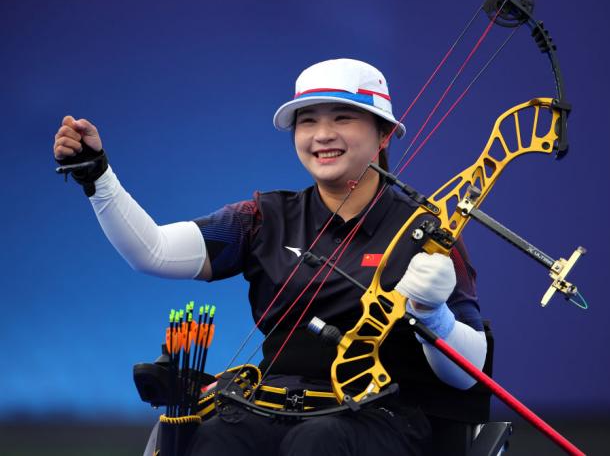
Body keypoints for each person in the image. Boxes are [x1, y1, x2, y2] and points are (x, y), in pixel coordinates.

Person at [53, 58, 488, 456]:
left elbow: (467, 374)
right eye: (308, 121)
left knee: (318, 443)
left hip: (381, 416)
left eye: (343, 118)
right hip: (272, 405)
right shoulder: (264, 217)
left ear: (385, 134)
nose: (322, 134)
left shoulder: (428, 232)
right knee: (211, 439)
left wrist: (434, 315)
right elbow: (154, 251)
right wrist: (97, 176)